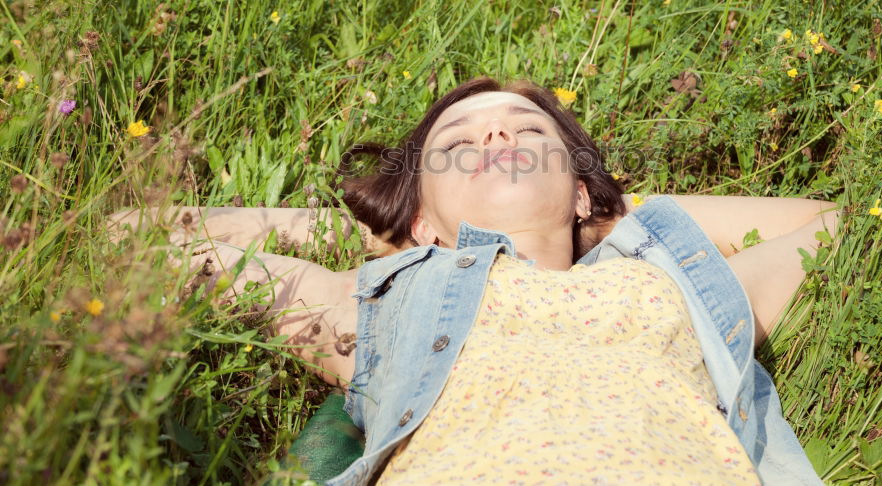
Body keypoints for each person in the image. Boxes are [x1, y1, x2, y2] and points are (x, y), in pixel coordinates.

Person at [110, 77, 840, 485]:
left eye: (527, 131)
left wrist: (608, 216)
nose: (495, 137)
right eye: (458, 146)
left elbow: (830, 222)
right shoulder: (388, 304)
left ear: (583, 191)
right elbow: (151, 235)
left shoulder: (669, 289)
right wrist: (389, 226)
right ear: (422, 217)